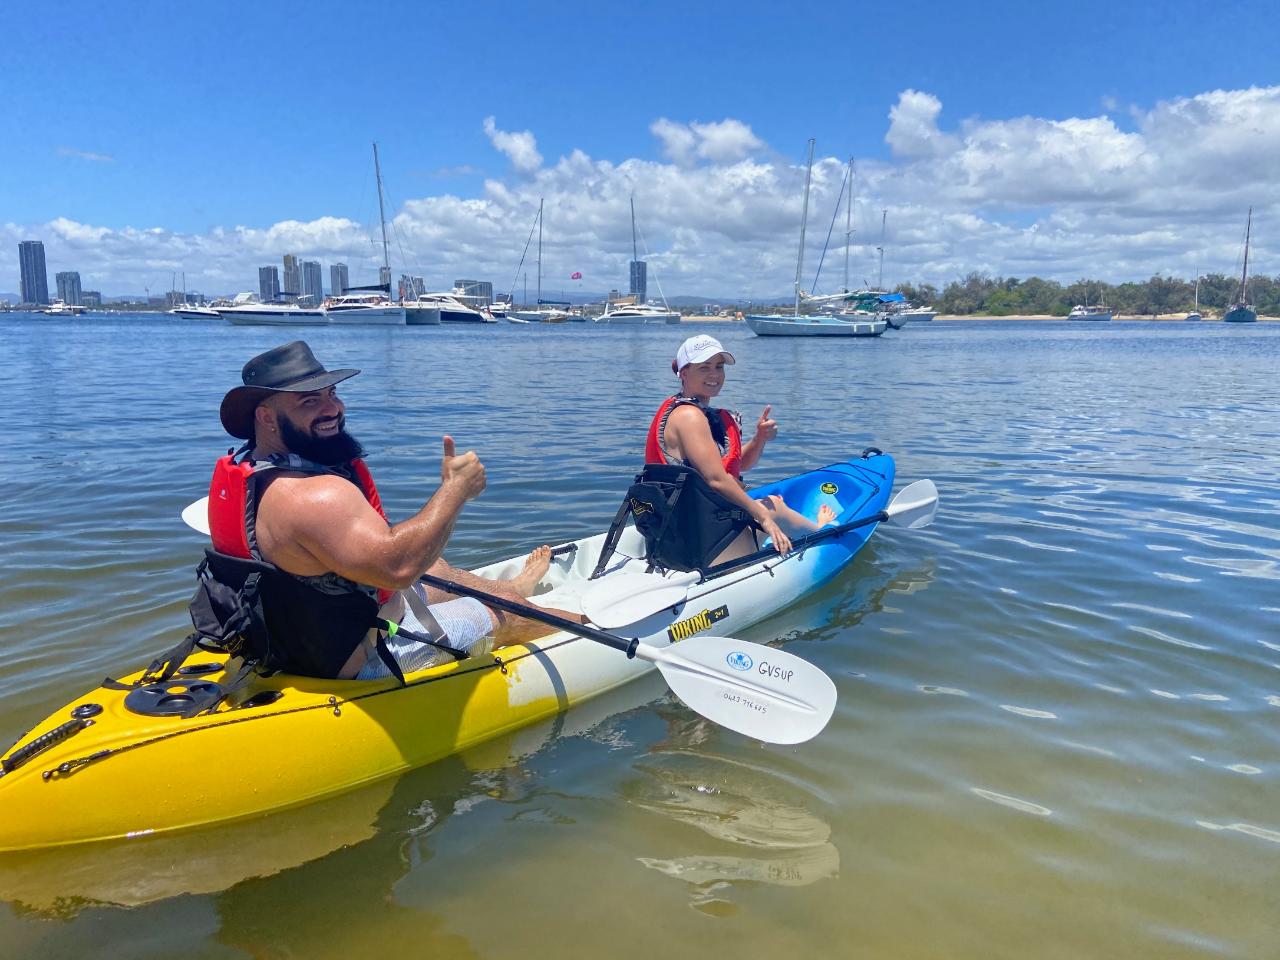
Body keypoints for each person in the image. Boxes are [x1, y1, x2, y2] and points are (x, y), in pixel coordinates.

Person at [204, 340, 580, 682]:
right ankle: (599, 629)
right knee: (507, 612)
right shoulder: (310, 496)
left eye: (331, 394)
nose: (332, 409)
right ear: (267, 417)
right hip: (357, 659)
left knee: (435, 568)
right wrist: (455, 491)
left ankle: (511, 586)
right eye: (309, 401)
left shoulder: (251, 472)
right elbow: (397, 569)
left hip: (293, 639)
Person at [644, 334, 834, 564]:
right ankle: (822, 532)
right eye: (704, 367)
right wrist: (763, 516)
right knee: (774, 506)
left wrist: (759, 438)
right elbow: (716, 479)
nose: (714, 375)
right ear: (683, 372)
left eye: (719, 366)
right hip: (700, 542)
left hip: (688, 530)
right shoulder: (689, 416)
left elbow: (736, 464)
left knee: (766, 505)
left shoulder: (692, 411)